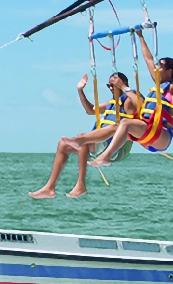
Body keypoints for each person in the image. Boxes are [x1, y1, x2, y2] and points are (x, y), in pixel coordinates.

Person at [28, 69, 142, 199]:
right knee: (62, 145)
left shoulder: (129, 100)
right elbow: (90, 110)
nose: (111, 88)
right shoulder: (112, 103)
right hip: (101, 144)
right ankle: (49, 188)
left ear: (123, 82)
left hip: (117, 149)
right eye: (109, 85)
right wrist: (80, 90)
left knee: (83, 143)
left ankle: (80, 186)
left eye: (114, 84)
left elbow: (141, 105)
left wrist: (125, 87)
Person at [93, 22, 173, 164]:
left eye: (160, 66)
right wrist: (140, 36)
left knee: (125, 123)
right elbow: (148, 59)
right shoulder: (158, 84)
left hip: (160, 135)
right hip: (146, 133)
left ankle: (106, 156)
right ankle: (85, 142)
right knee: (116, 125)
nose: (156, 68)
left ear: (170, 71)